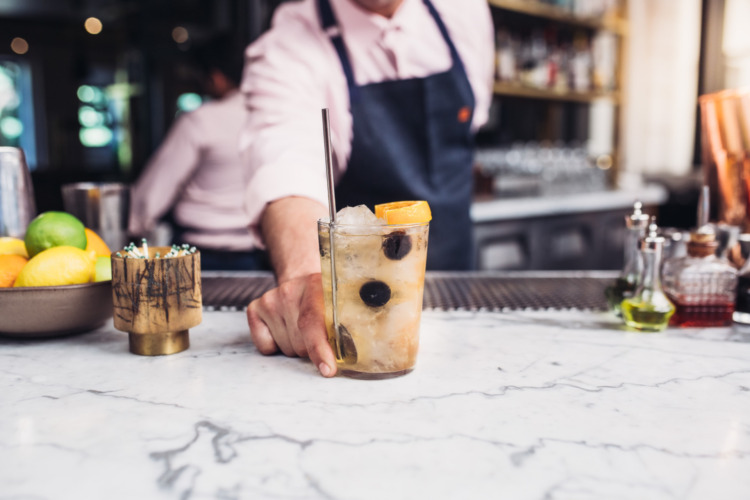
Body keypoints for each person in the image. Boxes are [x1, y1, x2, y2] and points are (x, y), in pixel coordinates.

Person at [240, 0, 494, 375]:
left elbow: (472, 119)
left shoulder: (464, 11)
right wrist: (312, 283)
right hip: (360, 322)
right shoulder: (290, 42)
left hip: (462, 301)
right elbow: (287, 167)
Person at [128, 37, 269, 270]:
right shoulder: (270, 119)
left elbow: (150, 197)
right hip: (256, 255)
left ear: (215, 77)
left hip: (197, 256)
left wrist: (130, 230)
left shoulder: (199, 121)